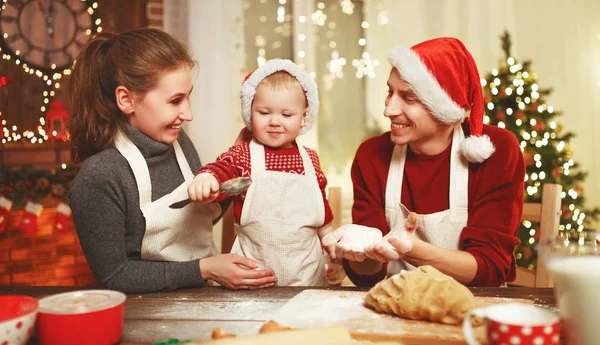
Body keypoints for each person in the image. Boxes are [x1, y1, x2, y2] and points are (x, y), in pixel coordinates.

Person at [68, 28, 277, 293]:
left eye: (188, 96)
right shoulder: (100, 177)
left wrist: (230, 176)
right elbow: (115, 276)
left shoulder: (179, 143)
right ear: (126, 99)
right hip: (146, 312)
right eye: (176, 100)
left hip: (203, 295)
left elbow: (193, 227)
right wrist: (205, 269)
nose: (188, 114)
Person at [322, 37, 525, 287]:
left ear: (444, 107)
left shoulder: (497, 150)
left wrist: (411, 249)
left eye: (408, 97)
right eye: (390, 92)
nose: (388, 110)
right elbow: (368, 276)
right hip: (396, 303)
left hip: (473, 307)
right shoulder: (372, 155)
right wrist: (361, 250)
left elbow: (490, 267)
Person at [187, 59, 334, 286]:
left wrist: (330, 238)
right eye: (264, 112)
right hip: (252, 278)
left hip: (308, 279)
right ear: (250, 113)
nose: (275, 121)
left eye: (286, 115)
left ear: (304, 117)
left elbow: (320, 205)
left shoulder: (311, 159)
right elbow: (221, 170)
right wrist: (207, 179)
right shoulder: (243, 155)